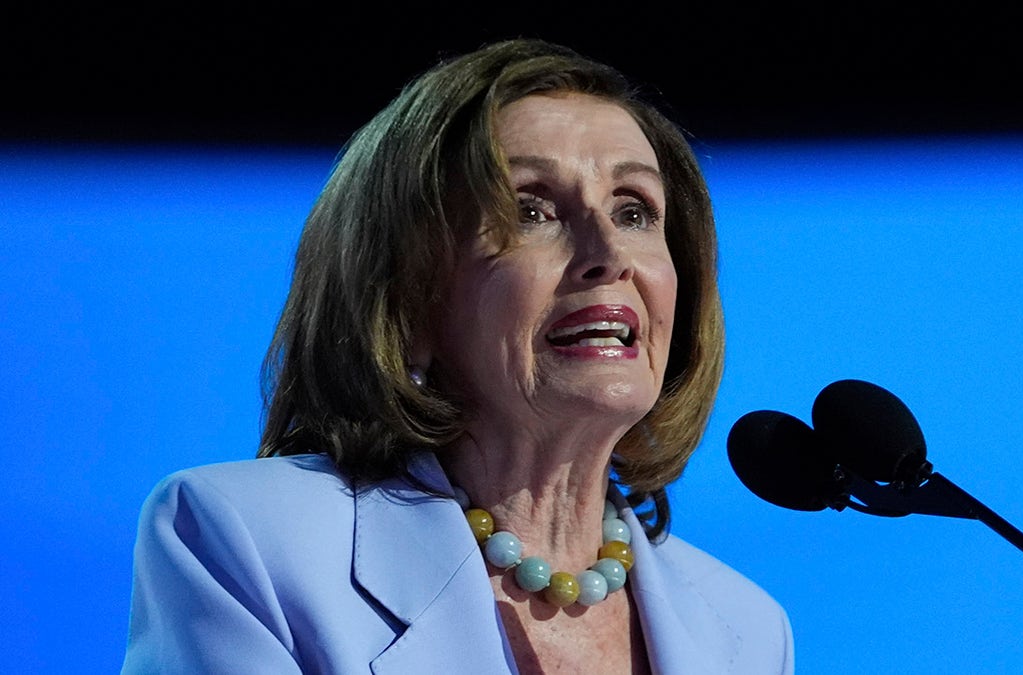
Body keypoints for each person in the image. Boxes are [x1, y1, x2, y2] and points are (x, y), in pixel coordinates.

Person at [121, 38, 794, 674]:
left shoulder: (745, 630)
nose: (608, 256)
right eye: (531, 210)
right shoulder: (247, 542)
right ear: (406, 296)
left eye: (634, 211)